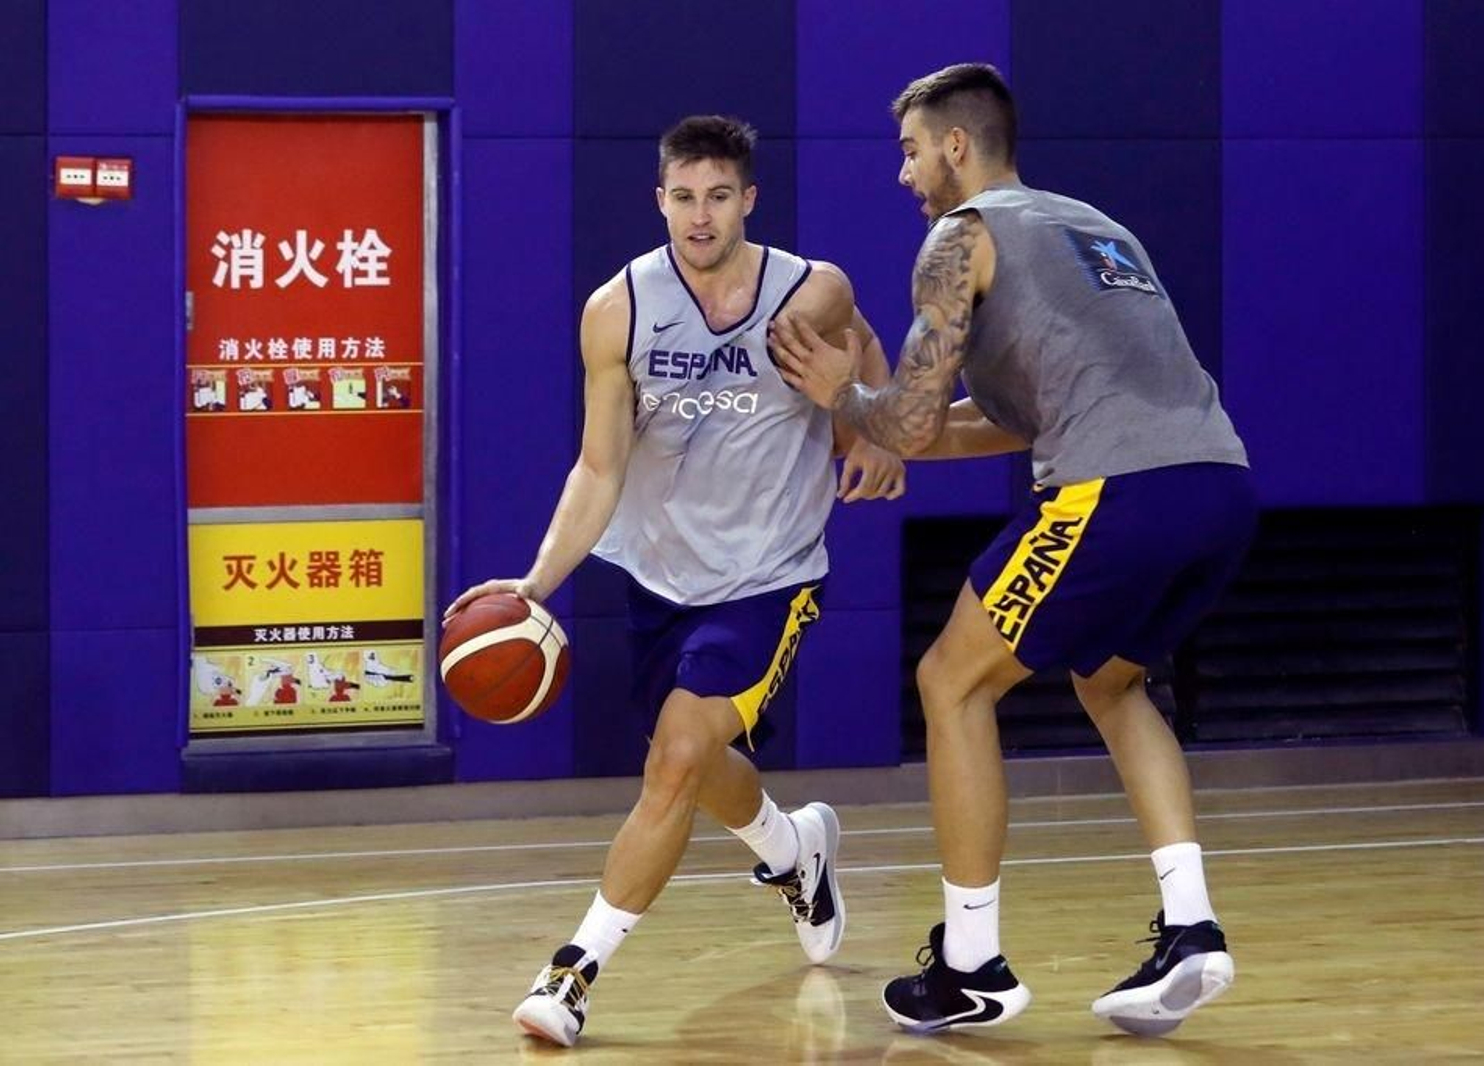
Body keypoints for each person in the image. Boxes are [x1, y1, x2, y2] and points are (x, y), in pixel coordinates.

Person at [770, 63, 1256, 1037]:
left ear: (956, 145)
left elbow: (904, 414)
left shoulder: (960, 238)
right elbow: (999, 420)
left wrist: (844, 398)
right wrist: (885, 427)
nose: (903, 174)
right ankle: (1192, 925)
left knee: (952, 679)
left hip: (1116, 492)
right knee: (1111, 684)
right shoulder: (1093, 227)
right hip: (1218, 488)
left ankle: (969, 960)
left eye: (911, 150)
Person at [446, 115, 905, 1048]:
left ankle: (571, 975)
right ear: (660, 200)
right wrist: (537, 582)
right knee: (691, 768)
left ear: (749, 200)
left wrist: (873, 434)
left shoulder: (809, 290)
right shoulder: (617, 309)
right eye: (684, 197)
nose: (700, 217)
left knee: (676, 756)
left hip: (770, 573)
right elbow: (599, 468)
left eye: (719, 196)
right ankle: (795, 849)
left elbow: (858, 341)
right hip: (658, 575)